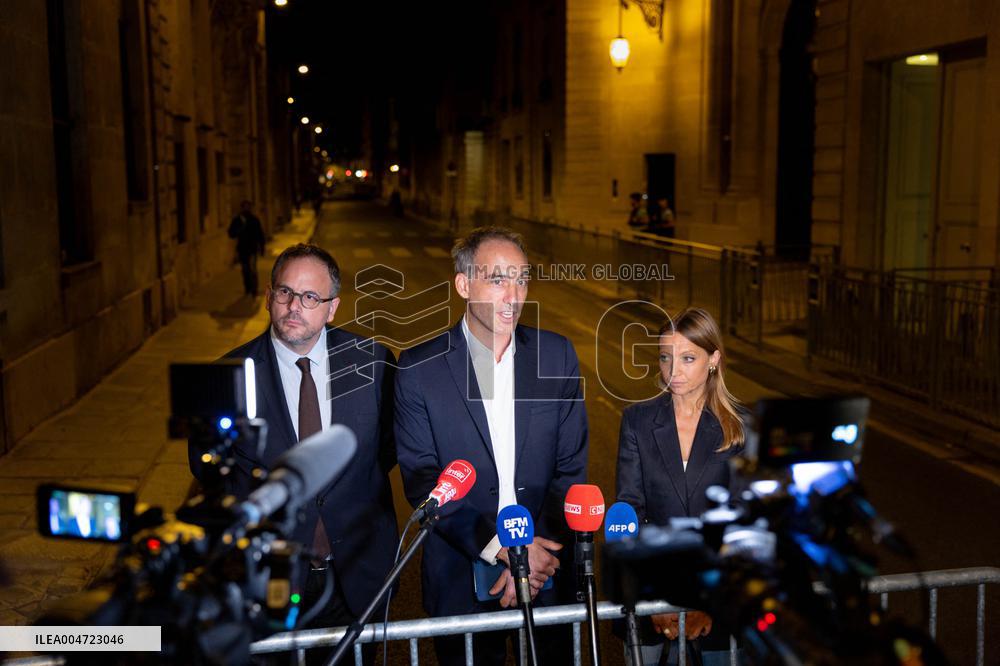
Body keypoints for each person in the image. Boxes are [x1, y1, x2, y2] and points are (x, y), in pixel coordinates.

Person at [188, 243, 398, 665]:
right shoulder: (226, 376)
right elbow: (209, 473)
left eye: (309, 297)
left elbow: (388, 450)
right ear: (269, 297)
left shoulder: (374, 364)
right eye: (284, 293)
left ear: (332, 308)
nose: (294, 307)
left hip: (356, 572)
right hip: (270, 583)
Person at [394, 226, 588, 666]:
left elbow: (571, 467)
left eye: (521, 279)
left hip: (546, 569)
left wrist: (538, 554)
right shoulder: (419, 369)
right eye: (498, 279)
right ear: (464, 284)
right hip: (461, 569)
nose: (514, 294)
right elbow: (423, 477)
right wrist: (500, 547)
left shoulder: (556, 356)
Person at [616, 307, 746, 666]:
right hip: (652, 607)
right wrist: (653, 602)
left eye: (688, 358)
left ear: (714, 359)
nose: (674, 371)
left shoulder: (741, 428)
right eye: (665, 357)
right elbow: (630, 513)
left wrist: (709, 605)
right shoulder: (637, 421)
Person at [227, 200, 266, 297]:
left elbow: (260, 234)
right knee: (245, 270)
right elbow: (231, 234)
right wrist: (240, 227)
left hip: (252, 249)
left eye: (248, 207)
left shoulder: (254, 220)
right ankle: (247, 289)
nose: (246, 209)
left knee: (252, 269)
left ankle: (254, 290)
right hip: (242, 249)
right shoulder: (237, 220)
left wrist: (262, 247)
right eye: (244, 207)